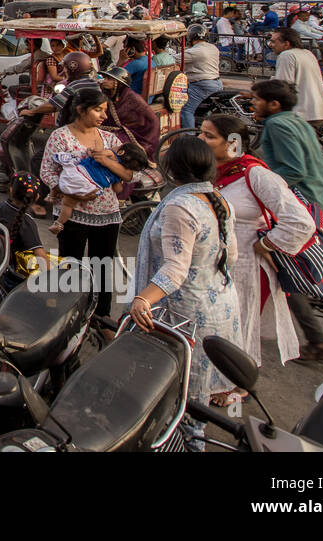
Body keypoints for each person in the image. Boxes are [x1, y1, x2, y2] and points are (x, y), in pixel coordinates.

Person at [129, 134, 242, 444]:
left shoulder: (180, 206)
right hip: (218, 302)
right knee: (193, 392)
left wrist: (142, 299)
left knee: (183, 396)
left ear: (173, 170)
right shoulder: (219, 199)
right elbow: (230, 255)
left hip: (187, 311)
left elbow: (175, 269)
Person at [201, 115, 316, 387]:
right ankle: (211, 380)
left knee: (239, 325)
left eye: (209, 136)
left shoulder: (256, 174)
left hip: (247, 269)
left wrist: (263, 244)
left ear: (232, 143)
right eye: (201, 133)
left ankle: (235, 386)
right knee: (216, 324)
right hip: (216, 263)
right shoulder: (214, 170)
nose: (201, 140)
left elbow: (300, 222)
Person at [248, 78, 323, 362]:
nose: (252, 103)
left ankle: (318, 341)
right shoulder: (296, 121)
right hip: (317, 200)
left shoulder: (277, 125)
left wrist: (262, 188)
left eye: (256, 99)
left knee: (288, 274)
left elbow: (293, 169)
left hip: (298, 207)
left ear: (273, 104)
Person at [40, 87, 125, 323]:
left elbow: (127, 174)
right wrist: (72, 190)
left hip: (107, 215)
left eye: (105, 111)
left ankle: (102, 317)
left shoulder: (109, 139)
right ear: (81, 109)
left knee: (103, 268)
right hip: (73, 214)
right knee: (70, 267)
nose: (103, 116)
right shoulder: (60, 137)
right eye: (98, 110)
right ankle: (66, 318)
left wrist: (108, 161)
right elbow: (47, 171)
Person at [49, 139, 149, 236]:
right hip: (91, 188)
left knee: (62, 174)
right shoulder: (118, 174)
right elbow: (118, 189)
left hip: (79, 174)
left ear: (121, 151)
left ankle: (52, 196)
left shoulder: (111, 154)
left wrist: (90, 151)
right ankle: (59, 223)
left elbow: (96, 154)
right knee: (69, 205)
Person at [0, 173, 54, 281]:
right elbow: (40, 255)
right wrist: (52, 278)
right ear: (36, 197)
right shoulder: (27, 222)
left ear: (11, 190)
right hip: (14, 268)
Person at [269, 28, 323, 125]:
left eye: (273, 42)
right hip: (320, 111)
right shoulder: (307, 53)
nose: (270, 45)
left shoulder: (287, 55)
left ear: (286, 43)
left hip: (301, 113)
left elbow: (282, 86)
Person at [98, 65, 160, 155]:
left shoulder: (133, 99)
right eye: (105, 78)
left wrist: (146, 143)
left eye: (109, 79)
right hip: (110, 131)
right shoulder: (109, 95)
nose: (105, 81)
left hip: (129, 135)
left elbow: (153, 121)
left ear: (118, 83)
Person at [181, 24, 222, 129]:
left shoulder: (194, 52)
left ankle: (188, 135)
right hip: (216, 83)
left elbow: (175, 59)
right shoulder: (213, 47)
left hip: (202, 85)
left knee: (186, 110)